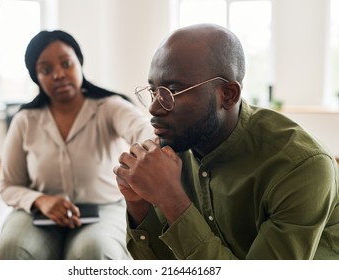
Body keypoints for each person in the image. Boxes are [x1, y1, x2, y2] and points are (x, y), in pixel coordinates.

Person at [113, 23, 339, 260]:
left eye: (172, 91)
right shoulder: (172, 148)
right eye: (154, 90)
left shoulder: (300, 166)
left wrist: (173, 201)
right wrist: (138, 205)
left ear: (228, 95)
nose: (154, 107)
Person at [0, 30, 154, 260]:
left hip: (104, 209)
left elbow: (144, 130)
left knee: (95, 252)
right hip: (39, 214)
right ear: (36, 77)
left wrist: (157, 142)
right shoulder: (25, 120)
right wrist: (40, 200)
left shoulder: (109, 107)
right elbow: (9, 186)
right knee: (11, 250)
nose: (58, 74)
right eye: (46, 70)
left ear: (79, 63)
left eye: (66, 63)